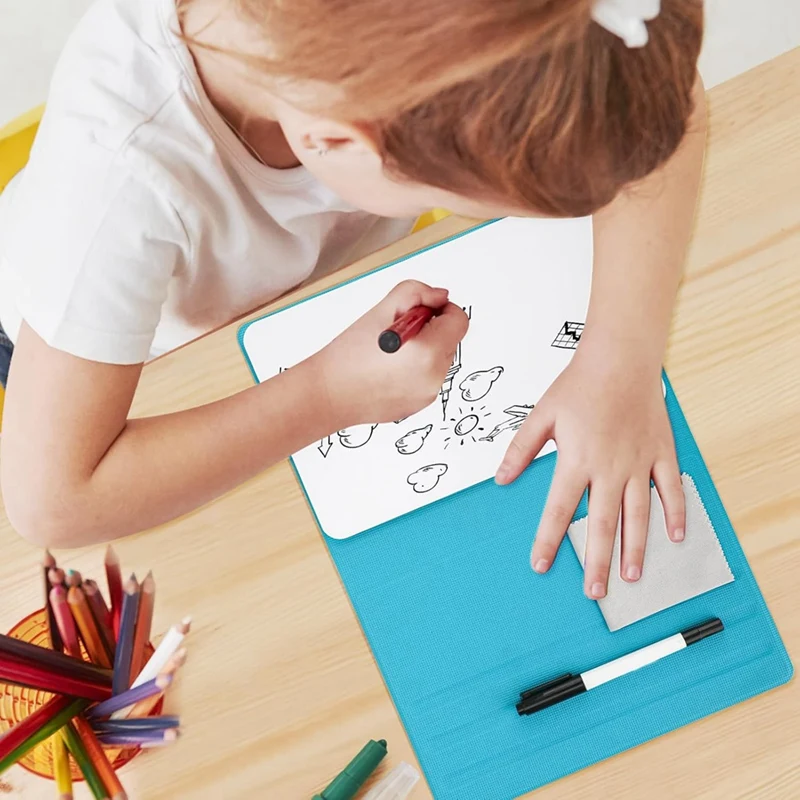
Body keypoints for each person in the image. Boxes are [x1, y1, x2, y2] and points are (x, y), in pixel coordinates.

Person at [0, 0, 705, 600]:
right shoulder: (122, 187)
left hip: (325, 306)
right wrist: (329, 394)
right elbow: (53, 498)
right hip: (120, 371)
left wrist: (621, 362)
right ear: (335, 140)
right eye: (450, 200)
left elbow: (664, 121)